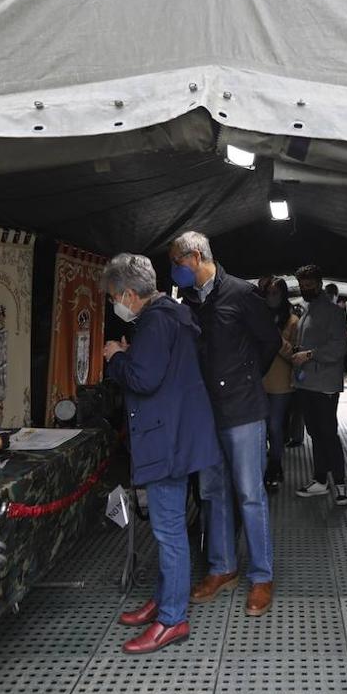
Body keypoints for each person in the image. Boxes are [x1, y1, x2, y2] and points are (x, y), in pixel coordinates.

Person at [101, 253, 221, 654]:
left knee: (168, 532)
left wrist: (117, 358)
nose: (116, 304)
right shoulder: (174, 311)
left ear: (130, 294)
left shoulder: (153, 323)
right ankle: (164, 598)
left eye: (116, 297)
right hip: (183, 434)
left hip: (165, 437)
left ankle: (172, 618)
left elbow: (144, 378)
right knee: (169, 528)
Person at [168, 231, 280, 616]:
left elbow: (270, 342)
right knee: (212, 492)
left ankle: (262, 576)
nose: (175, 271)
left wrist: (247, 378)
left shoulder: (241, 294)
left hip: (244, 409)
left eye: (178, 263)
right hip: (206, 412)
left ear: (196, 257)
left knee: (250, 493)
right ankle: (223, 568)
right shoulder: (190, 300)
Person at [291, 264, 347, 506]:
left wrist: (308, 355)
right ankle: (320, 479)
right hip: (307, 383)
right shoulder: (308, 309)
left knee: (328, 433)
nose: (306, 289)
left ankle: (340, 484)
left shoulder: (333, 312)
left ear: (319, 283)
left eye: (309, 285)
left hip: (324, 383)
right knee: (314, 432)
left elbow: (339, 347)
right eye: (303, 286)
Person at [257, 275, 298, 490]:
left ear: (283, 296)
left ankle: (275, 467)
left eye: (275, 293)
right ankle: (263, 468)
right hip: (259, 381)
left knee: (275, 426)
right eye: (268, 294)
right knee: (261, 428)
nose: (271, 298)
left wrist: (275, 338)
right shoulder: (259, 318)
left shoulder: (292, 321)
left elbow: (295, 354)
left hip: (281, 383)